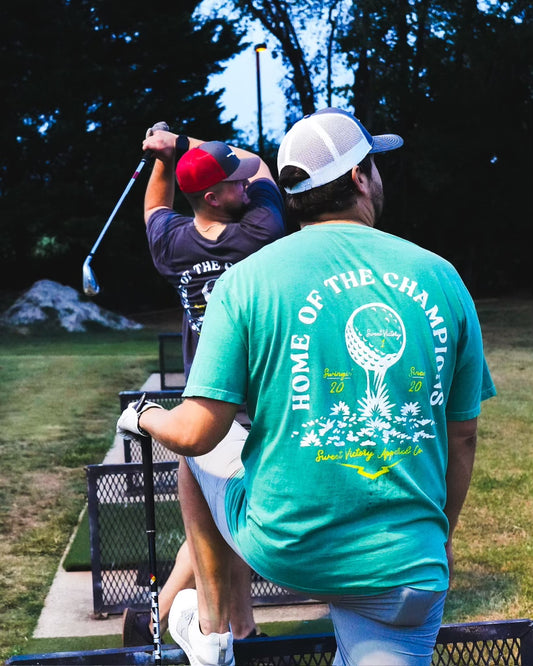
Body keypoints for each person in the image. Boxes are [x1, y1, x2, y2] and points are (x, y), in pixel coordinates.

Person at [118, 108, 496, 665]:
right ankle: (218, 626)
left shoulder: (248, 280)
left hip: (291, 548)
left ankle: (215, 629)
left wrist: (144, 414)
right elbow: (461, 438)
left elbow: (196, 433)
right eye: (374, 165)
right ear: (360, 178)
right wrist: (437, 542)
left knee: (198, 459)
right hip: (407, 572)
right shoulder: (442, 276)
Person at [121, 126, 285, 647]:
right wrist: (184, 142)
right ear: (215, 196)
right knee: (224, 516)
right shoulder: (258, 233)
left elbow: (155, 207)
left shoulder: (172, 246)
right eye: (230, 184)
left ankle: (192, 618)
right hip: (255, 404)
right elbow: (259, 164)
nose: (242, 185)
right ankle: (219, 623)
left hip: (204, 401)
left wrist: (166, 158)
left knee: (212, 515)